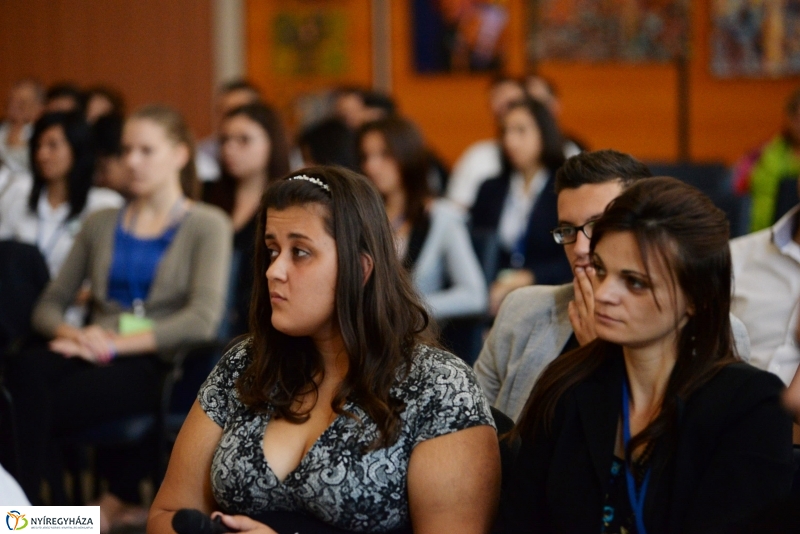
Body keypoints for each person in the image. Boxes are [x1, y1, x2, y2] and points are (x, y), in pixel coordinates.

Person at [148, 166, 500, 534]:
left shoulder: (439, 386)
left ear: (361, 269)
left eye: (300, 252)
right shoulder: (246, 364)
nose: (274, 271)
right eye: (272, 250)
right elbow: (166, 514)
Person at [503, 177, 794, 533]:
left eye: (635, 282)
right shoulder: (568, 384)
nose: (605, 293)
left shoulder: (749, 406)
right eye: (600, 269)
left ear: (696, 297)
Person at [6, 105, 231, 525]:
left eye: (147, 150)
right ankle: (39, 514)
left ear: (181, 155)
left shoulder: (206, 223)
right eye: (127, 150)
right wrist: (77, 336)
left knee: (26, 404)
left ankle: (31, 514)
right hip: (88, 347)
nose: (132, 161)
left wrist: (112, 343)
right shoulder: (102, 221)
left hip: (153, 361)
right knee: (19, 373)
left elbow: (202, 318)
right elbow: (48, 307)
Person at [358, 117, 487, 321]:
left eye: (384, 155)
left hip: (416, 335)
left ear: (407, 155)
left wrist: (410, 307)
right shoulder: (360, 216)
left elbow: (474, 296)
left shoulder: (441, 217)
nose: (371, 166)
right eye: (366, 157)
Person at [471, 96, 571, 314]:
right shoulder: (490, 188)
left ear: (544, 133)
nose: (510, 141)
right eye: (505, 132)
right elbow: (475, 249)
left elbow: (571, 259)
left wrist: (527, 277)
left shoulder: (564, 188)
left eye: (521, 131)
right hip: (494, 299)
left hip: (550, 298)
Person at [203, 102, 291, 339]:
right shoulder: (206, 196)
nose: (230, 148)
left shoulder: (286, 204)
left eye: (243, 140)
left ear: (271, 142)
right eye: (225, 140)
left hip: (257, 325)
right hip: (207, 326)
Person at [0, 111, 123, 277]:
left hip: (71, 301)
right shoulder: (19, 192)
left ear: (77, 147)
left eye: (53, 145)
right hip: (19, 296)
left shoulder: (103, 204)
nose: (42, 155)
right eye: (38, 146)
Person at [445, 76, 525, 210]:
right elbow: (454, 210)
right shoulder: (478, 156)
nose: (512, 143)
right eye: (498, 103)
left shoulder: (561, 153)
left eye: (512, 103)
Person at [732, 87, 800, 232]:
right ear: (789, 118)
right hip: (763, 234)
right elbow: (740, 189)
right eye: (797, 117)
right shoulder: (765, 153)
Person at [196, 79, 262, 182]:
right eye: (228, 112)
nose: (229, 150)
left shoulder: (288, 161)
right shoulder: (201, 157)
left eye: (243, 111)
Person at [0, 78, 44, 173]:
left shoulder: (42, 135)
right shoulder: (2, 127)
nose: (13, 107)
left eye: (22, 103)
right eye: (10, 101)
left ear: (38, 107)